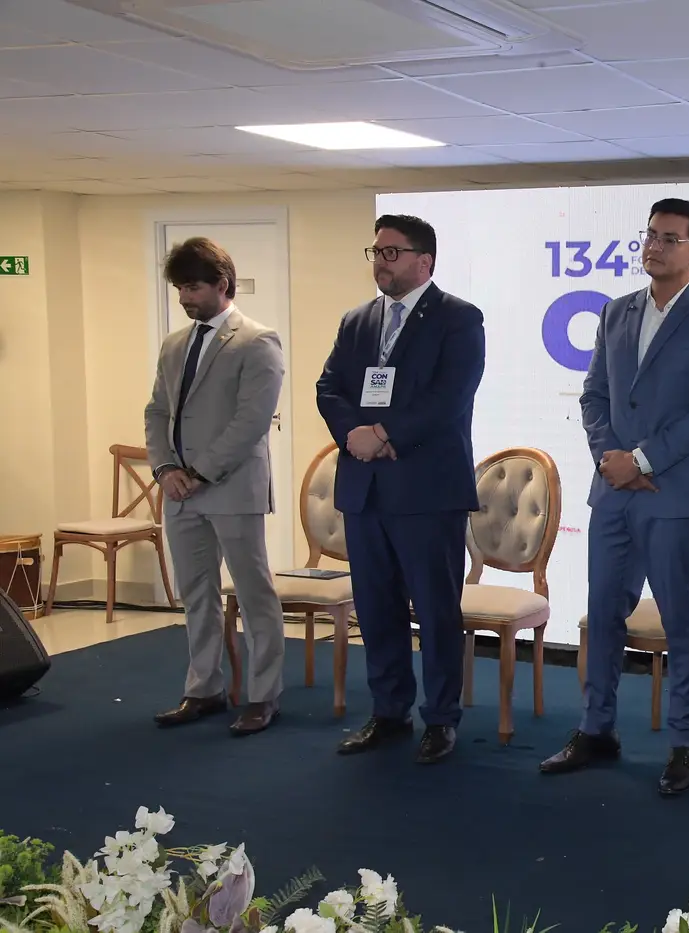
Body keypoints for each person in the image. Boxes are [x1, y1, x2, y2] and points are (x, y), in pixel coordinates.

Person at [540, 198, 689, 795]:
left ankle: (685, 742)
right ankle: (596, 728)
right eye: (650, 235)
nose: (654, 246)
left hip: (674, 495)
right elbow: (594, 396)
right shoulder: (617, 311)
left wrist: (643, 461)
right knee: (603, 613)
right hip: (614, 493)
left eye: (669, 239)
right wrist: (612, 459)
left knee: (679, 620)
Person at [316, 214, 485, 764]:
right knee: (376, 606)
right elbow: (329, 387)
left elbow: (450, 397)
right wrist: (355, 435)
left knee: (435, 611)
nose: (380, 262)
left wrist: (385, 433)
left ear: (424, 261)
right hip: (365, 489)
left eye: (392, 252)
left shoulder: (458, 318)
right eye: (376, 252)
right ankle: (388, 712)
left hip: (426, 490)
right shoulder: (357, 320)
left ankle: (441, 718)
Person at [144, 237, 286, 736]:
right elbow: (157, 411)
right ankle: (203, 688)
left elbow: (251, 421)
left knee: (253, 592)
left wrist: (200, 472)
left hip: (231, 488)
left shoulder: (257, 341)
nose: (185, 297)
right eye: (180, 288)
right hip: (179, 492)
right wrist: (165, 470)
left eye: (193, 287)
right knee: (195, 594)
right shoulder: (173, 344)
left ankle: (263, 696)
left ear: (222, 284)